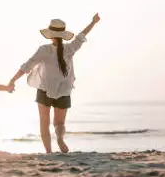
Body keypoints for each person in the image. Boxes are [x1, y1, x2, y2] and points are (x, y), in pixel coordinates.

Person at [8, 13, 101, 154]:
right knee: (59, 123)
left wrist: (13, 80)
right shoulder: (70, 48)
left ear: (50, 35)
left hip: (44, 90)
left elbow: (26, 67)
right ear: (63, 35)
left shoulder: (44, 50)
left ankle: (49, 152)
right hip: (64, 90)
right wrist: (93, 22)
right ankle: (59, 137)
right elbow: (82, 36)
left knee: (44, 123)